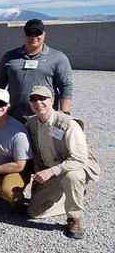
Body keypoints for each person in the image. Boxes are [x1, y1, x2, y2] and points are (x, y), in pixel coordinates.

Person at [25, 86, 100, 239]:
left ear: (51, 100)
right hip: (53, 169)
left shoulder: (68, 124)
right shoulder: (31, 123)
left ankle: (74, 217)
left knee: (72, 177)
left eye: (42, 98)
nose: (38, 102)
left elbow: (79, 158)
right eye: (33, 99)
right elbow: (36, 153)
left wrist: (50, 172)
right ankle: (72, 195)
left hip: (76, 166)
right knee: (34, 212)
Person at [0, 19, 73, 123]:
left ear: (44, 34)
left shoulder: (58, 58)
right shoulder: (9, 57)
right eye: (30, 33)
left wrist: (64, 114)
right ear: (24, 34)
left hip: (45, 118)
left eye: (38, 33)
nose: (34, 37)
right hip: (14, 118)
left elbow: (66, 86)